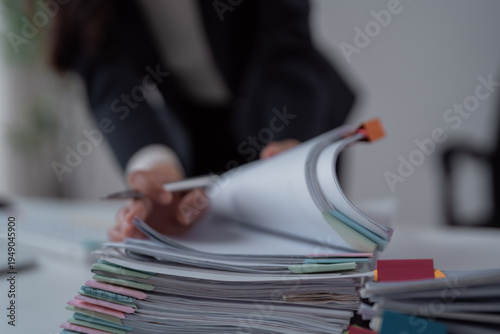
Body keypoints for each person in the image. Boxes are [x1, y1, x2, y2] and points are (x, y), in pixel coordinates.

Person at [49, 0, 356, 241]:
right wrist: (156, 167)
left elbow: (285, 44)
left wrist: (289, 138)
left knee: (311, 256)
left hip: (294, 115)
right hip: (200, 128)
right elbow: (108, 77)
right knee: (210, 248)